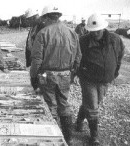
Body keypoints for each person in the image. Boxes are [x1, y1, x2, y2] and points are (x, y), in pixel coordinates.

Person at [30, 6, 82, 145]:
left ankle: (51, 138)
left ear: (47, 17)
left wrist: (33, 76)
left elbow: (36, 59)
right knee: (64, 104)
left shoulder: (43, 33)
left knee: (50, 105)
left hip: (47, 75)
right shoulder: (72, 32)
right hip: (66, 74)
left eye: (43, 19)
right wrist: (73, 72)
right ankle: (68, 138)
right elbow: (78, 56)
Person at [75, 13, 124, 145]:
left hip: (105, 80)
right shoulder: (83, 41)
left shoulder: (115, 39)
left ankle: (79, 121)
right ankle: (94, 136)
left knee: (92, 103)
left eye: (97, 31)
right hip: (88, 79)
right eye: (92, 31)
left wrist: (115, 72)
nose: (95, 33)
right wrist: (76, 73)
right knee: (92, 106)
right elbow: (77, 59)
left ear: (103, 28)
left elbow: (119, 56)